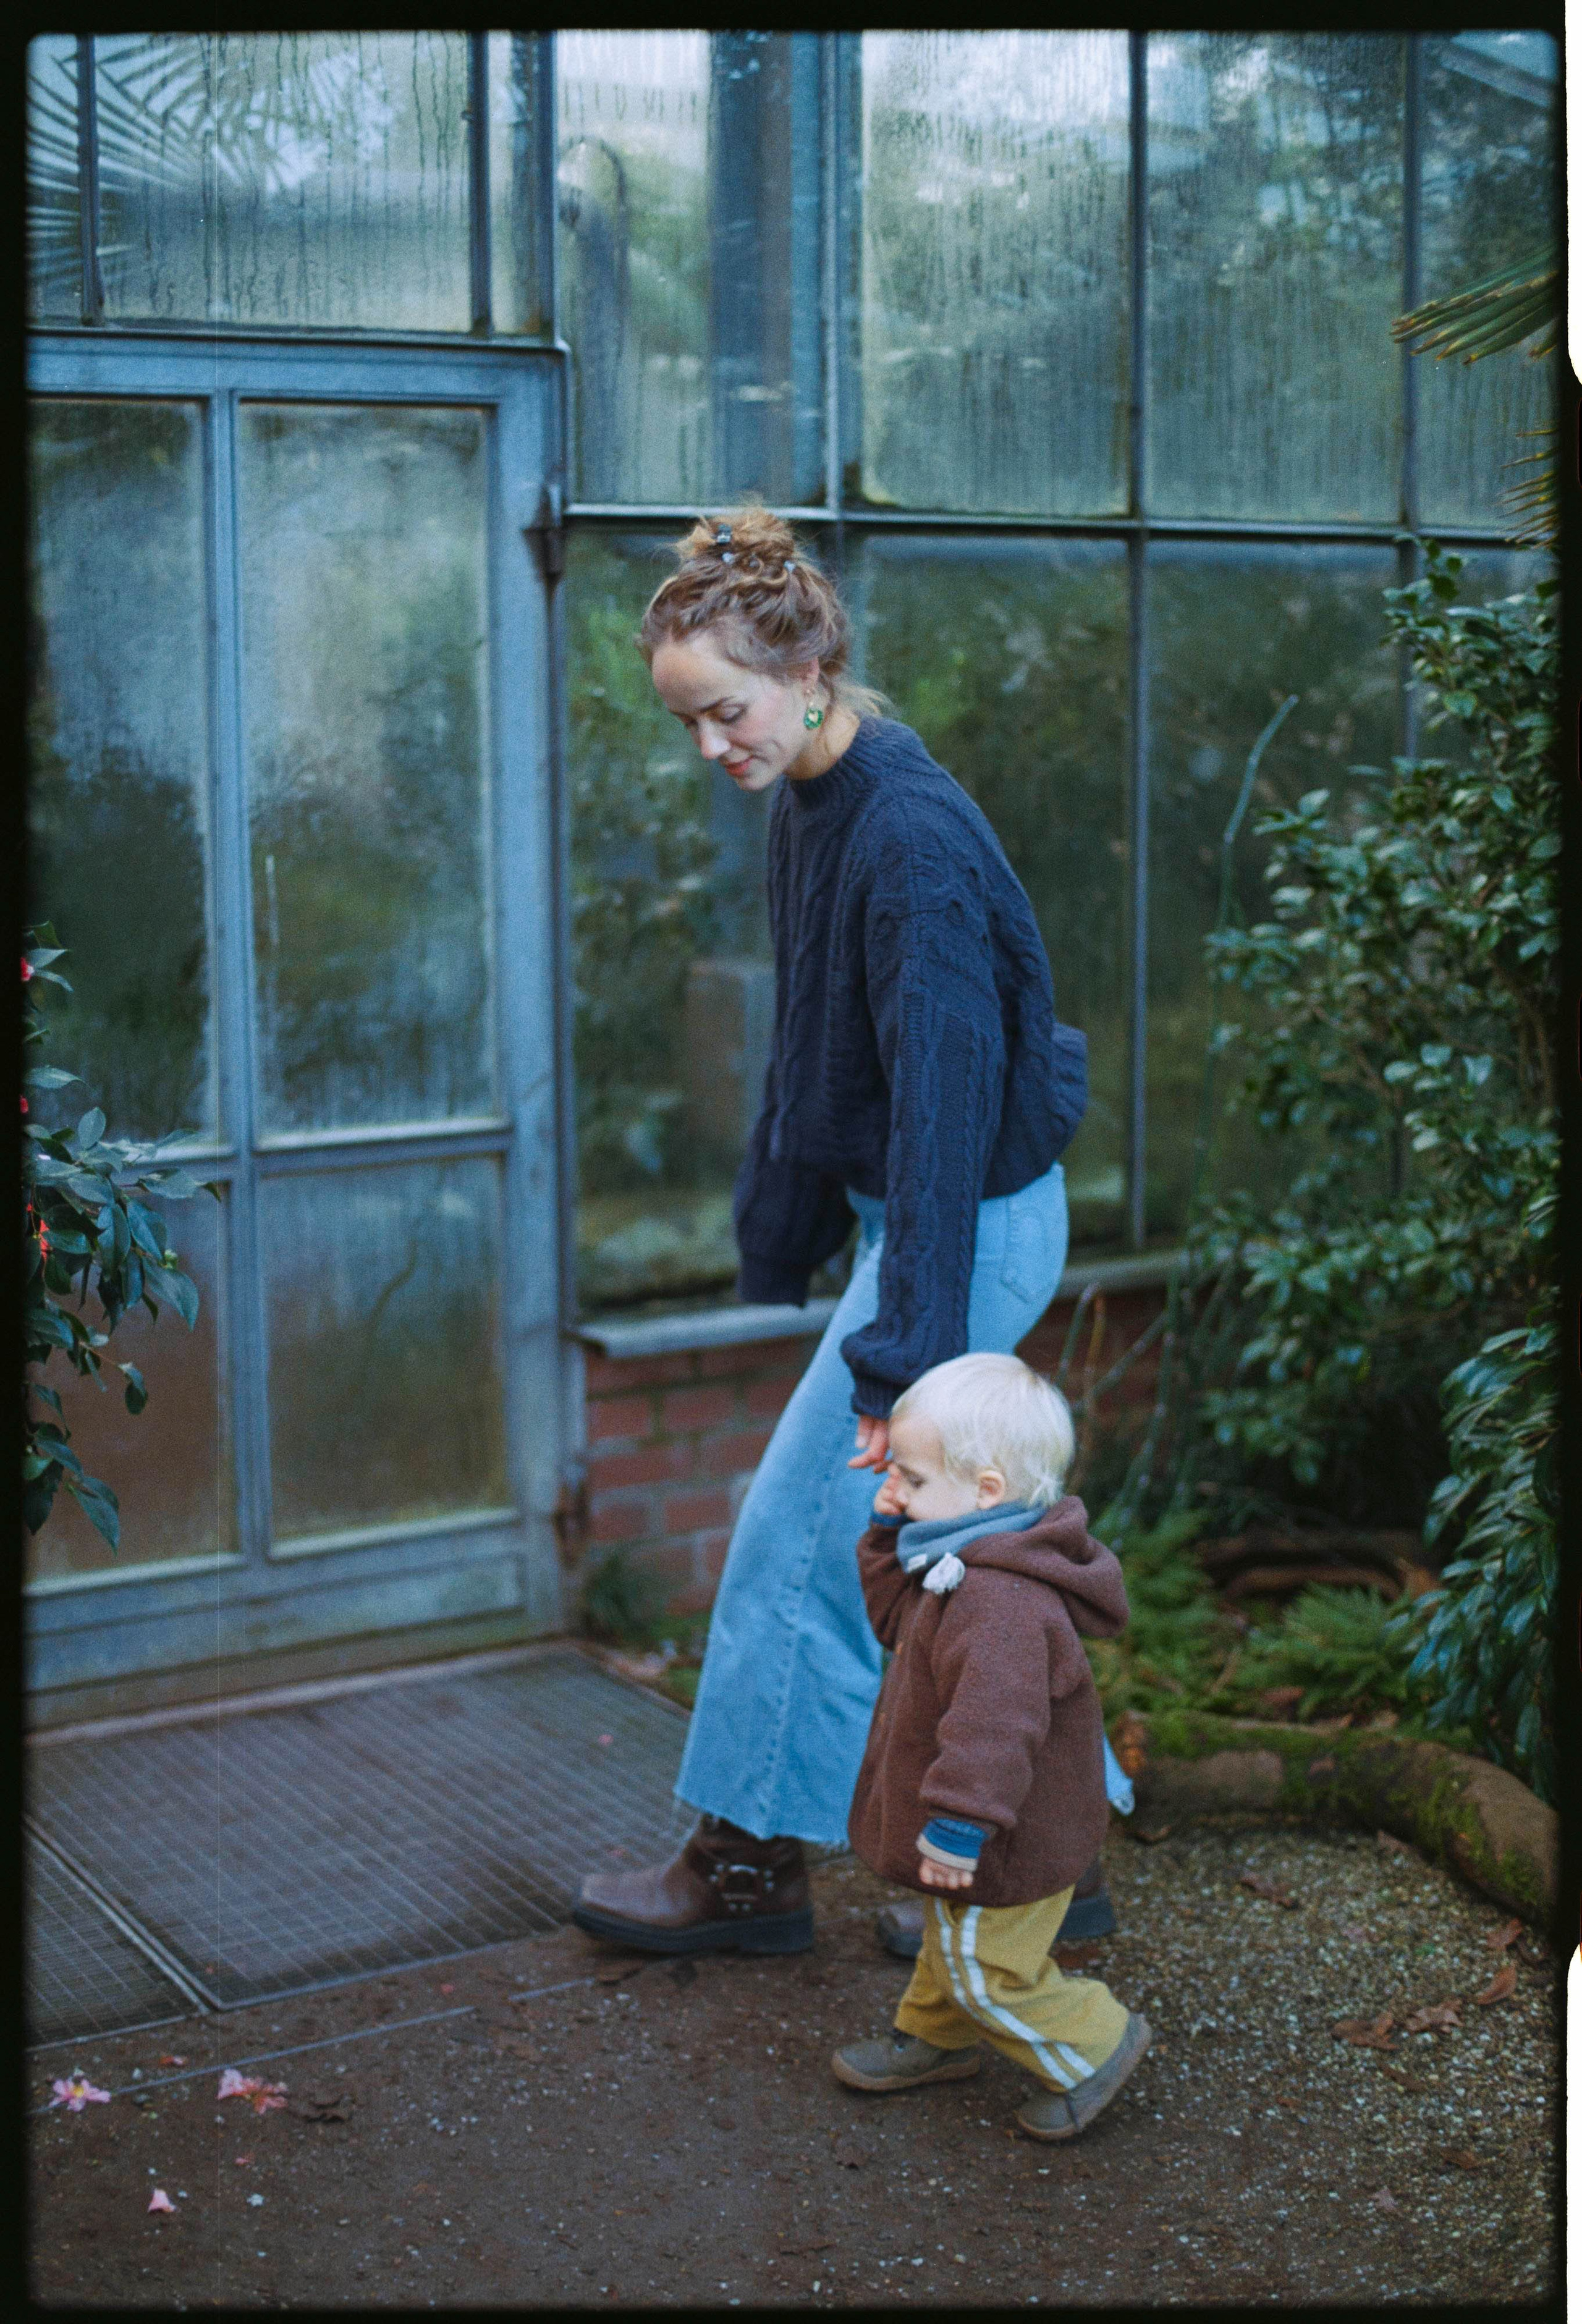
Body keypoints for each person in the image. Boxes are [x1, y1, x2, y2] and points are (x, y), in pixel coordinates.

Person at [572, 506, 1126, 1958]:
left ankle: (749, 1871)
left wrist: (901, 1362)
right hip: (925, 1223)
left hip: (964, 1231)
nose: (711, 744)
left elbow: (944, 1119)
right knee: (951, 1547)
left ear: (809, 663)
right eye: (688, 719)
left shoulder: (911, 839)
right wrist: (782, 1231)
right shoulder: (811, 801)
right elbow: (812, 1036)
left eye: (724, 710)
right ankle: (1062, 1869)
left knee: (802, 1541)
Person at [832, 1353, 1152, 2141]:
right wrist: (885, 1532)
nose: (894, 1487)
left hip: (1005, 1828)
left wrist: (960, 1822)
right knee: (952, 1931)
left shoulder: (1004, 1603)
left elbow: (995, 1729)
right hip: (980, 1822)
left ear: (985, 1489)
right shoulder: (959, 1565)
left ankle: (1093, 2043)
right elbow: (894, 1624)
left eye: (908, 1475)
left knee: (986, 1965)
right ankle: (936, 2039)